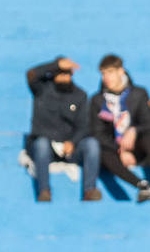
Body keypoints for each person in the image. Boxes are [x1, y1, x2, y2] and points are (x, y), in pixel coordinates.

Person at [87, 54, 150, 203]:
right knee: (100, 150)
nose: (106, 77)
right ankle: (143, 185)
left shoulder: (139, 93)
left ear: (121, 71)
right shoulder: (97, 100)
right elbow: (97, 133)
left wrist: (133, 130)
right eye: (103, 73)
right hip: (114, 150)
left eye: (110, 72)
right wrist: (120, 149)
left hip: (137, 146)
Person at [24, 57, 99, 202]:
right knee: (41, 144)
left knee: (91, 144)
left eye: (67, 73)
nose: (64, 76)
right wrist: (55, 64)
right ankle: (44, 191)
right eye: (60, 73)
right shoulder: (42, 89)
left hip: (69, 148)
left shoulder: (80, 95)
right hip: (47, 147)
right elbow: (31, 74)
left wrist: (72, 142)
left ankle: (90, 191)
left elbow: (83, 125)